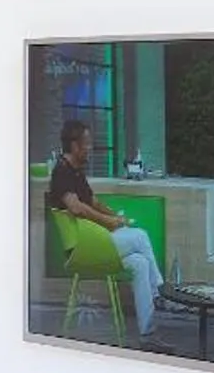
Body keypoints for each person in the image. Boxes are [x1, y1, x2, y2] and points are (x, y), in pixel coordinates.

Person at [45, 121, 162, 338]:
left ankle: (148, 333)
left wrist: (116, 217)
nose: (89, 148)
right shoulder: (62, 172)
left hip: (95, 243)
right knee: (141, 237)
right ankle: (160, 293)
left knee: (140, 263)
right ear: (74, 145)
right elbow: (76, 207)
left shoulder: (76, 171)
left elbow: (93, 202)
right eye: (86, 144)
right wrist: (108, 223)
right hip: (83, 248)